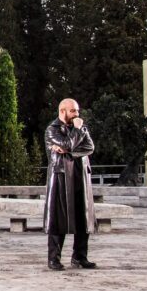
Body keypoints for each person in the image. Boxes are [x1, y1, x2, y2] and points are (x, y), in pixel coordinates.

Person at [44, 98, 97, 271]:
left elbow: (90, 147)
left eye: (77, 111)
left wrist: (69, 152)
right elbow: (67, 143)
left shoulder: (80, 127)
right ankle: (54, 259)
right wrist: (76, 132)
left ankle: (80, 257)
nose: (77, 114)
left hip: (80, 176)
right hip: (60, 177)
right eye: (73, 111)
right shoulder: (52, 130)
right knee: (58, 218)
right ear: (62, 111)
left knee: (83, 217)